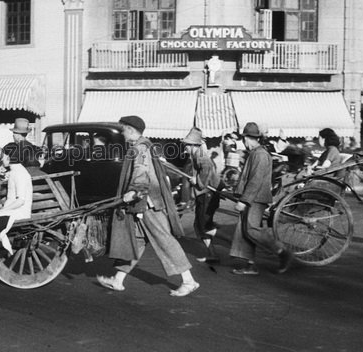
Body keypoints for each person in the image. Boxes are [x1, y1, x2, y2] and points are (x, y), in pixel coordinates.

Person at [96, 115, 199, 297]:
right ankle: (118, 280)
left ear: (130, 130)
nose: (122, 133)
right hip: (144, 203)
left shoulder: (140, 148)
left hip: (148, 204)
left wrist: (135, 191)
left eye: (123, 129)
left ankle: (189, 281)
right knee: (137, 240)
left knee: (164, 240)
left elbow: (141, 172)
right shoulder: (145, 145)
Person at [230, 122, 293, 275]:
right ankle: (250, 265)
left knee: (252, 230)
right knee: (247, 231)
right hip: (254, 197)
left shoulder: (259, 154)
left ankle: (282, 251)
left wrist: (244, 201)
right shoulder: (256, 153)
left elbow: (255, 180)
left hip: (256, 198)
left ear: (246, 138)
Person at [182, 127, 222, 264]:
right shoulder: (196, 155)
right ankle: (212, 254)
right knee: (199, 225)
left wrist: (196, 180)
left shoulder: (201, 156)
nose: (185, 148)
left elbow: (205, 174)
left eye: (187, 145)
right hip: (204, 194)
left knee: (205, 226)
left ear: (194, 145)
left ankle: (232, 238)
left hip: (208, 194)